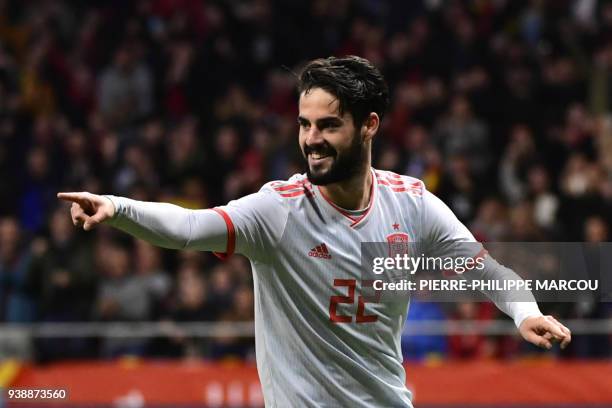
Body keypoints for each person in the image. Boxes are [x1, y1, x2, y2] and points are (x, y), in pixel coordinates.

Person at [58, 56, 571, 407]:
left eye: (328, 126)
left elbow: (485, 270)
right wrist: (117, 207)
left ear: (369, 125)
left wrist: (525, 313)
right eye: (304, 125)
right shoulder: (278, 211)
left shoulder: (410, 204)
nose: (312, 140)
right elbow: (191, 228)